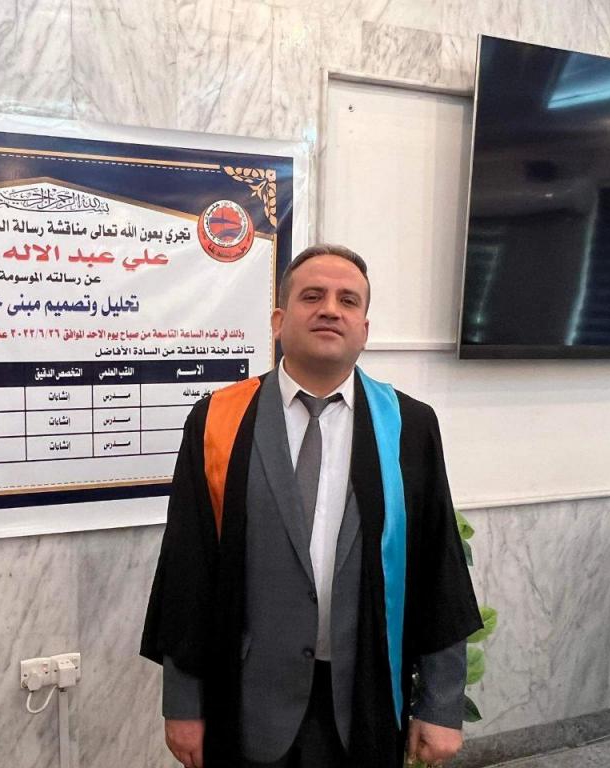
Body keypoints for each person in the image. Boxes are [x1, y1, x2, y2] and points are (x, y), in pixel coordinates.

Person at [141, 244, 483, 768]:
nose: (329, 309)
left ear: (364, 329)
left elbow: (438, 568)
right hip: (247, 699)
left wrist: (440, 704)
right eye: (312, 296)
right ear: (279, 321)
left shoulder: (408, 427)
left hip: (363, 694)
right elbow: (188, 570)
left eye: (348, 300)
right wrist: (184, 703)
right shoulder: (217, 422)